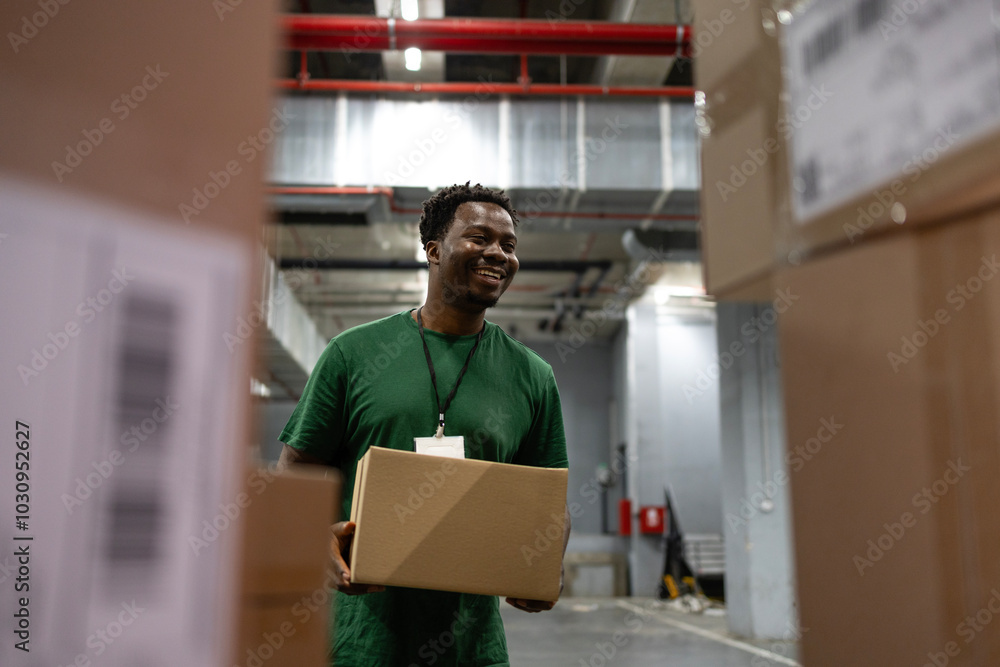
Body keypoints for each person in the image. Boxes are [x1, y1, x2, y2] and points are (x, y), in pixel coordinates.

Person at [278, 182, 570, 666]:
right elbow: (296, 472)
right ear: (434, 250)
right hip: (359, 643)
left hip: (472, 648)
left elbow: (549, 502)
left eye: (509, 245)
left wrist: (546, 568)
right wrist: (315, 537)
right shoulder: (354, 354)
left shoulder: (532, 377)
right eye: (479, 238)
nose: (497, 253)